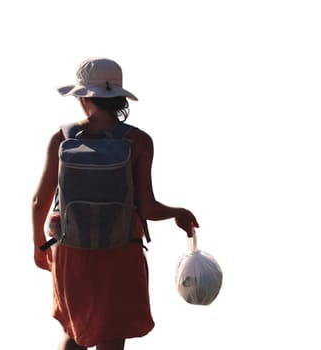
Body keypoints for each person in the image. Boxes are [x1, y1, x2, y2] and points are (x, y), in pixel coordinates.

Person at [31, 57, 199, 350]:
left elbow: (37, 202)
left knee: (75, 331)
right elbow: (147, 207)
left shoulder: (61, 138)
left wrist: (38, 246)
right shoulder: (139, 142)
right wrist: (178, 213)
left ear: (83, 96)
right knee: (111, 336)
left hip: (72, 253)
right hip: (120, 251)